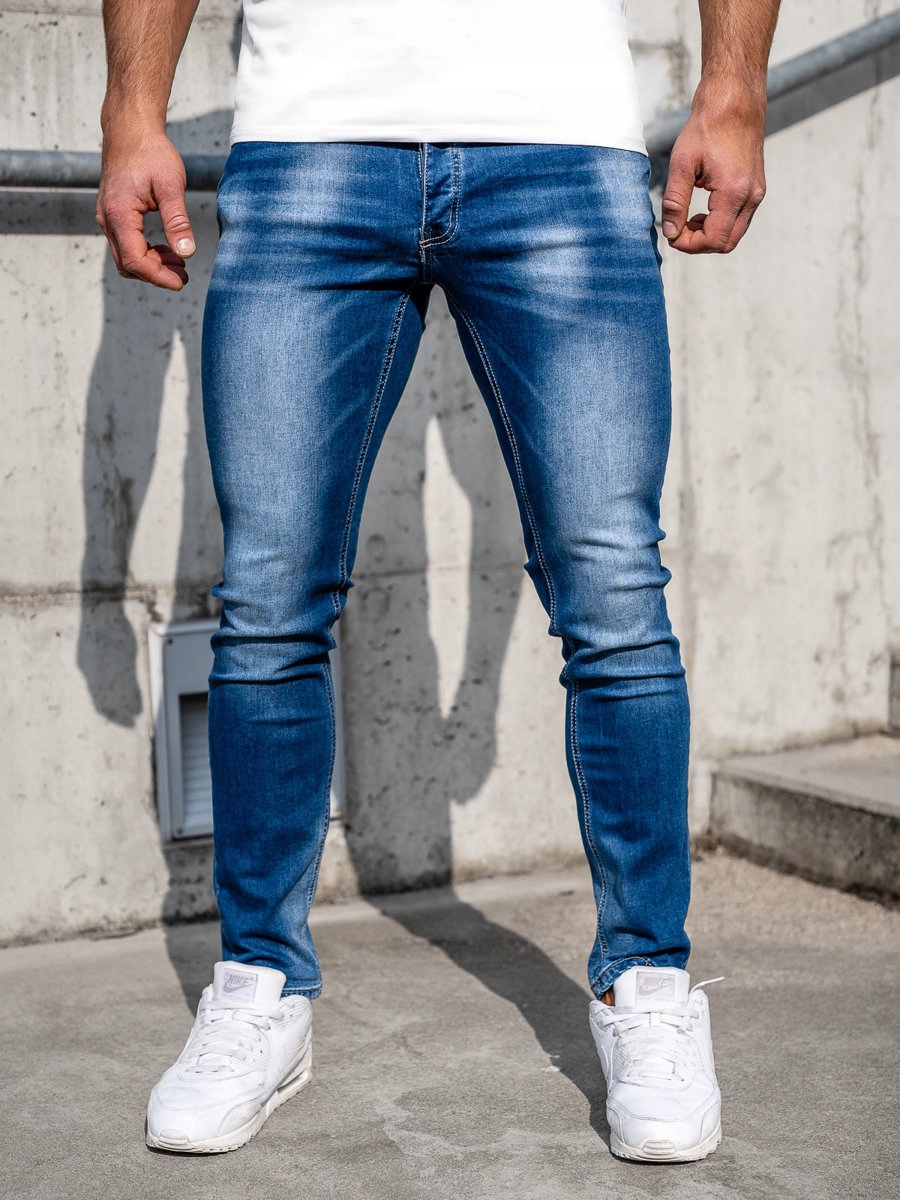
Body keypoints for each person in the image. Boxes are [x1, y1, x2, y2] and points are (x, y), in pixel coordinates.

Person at [97, 0, 780, 1162]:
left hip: (557, 134)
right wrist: (132, 112)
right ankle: (261, 987)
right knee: (266, 603)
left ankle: (648, 987)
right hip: (310, 133)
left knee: (614, 593)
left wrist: (736, 87)